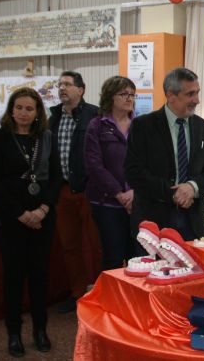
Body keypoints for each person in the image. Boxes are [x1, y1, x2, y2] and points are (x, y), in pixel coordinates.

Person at [0, 87, 62, 357]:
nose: (24, 113)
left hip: (42, 215)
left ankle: (40, 330)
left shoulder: (47, 137)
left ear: (38, 111)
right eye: (19, 108)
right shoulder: (1, 138)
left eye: (30, 108)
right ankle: (14, 334)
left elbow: (56, 179)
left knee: (40, 275)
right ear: (11, 110)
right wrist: (21, 213)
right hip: (10, 216)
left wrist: (42, 209)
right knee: (14, 276)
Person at [125, 67, 204, 250]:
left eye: (197, 93)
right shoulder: (143, 126)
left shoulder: (203, 127)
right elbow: (134, 172)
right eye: (190, 94)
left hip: (192, 224)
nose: (197, 100)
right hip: (153, 225)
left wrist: (193, 187)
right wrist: (174, 193)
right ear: (170, 95)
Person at [48, 70, 100, 313]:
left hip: (90, 190)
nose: (62, 88)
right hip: (63, 191)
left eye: (67, 84)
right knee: (70, 246)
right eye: (60, 84)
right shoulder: (53, 117)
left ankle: (101, 292)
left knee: (97, 244)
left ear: (81, 90)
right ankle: (77, 292)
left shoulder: (94, 115)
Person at [85, 76, 136, 271]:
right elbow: (94, 165)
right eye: (124, 94)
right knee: (112, 258)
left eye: (132, 94)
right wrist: (120, 194)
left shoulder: (140, 125)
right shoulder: (97, 126)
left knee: (137, 258)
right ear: (110, 96)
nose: (129, 98)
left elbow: (147, 164)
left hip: (136, 202)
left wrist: (134, 192)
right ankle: (111, 301)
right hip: (107, 202)